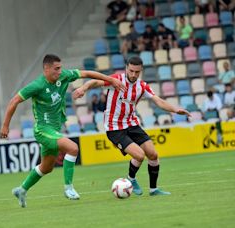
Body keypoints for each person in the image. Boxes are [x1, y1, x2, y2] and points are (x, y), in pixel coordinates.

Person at [0, 54, 126, 208]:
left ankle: (21, 189)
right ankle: (68, 188)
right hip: (42, 130)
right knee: (73, 148)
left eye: (60, 68)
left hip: (54, 129)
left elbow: (87, 73)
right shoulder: (37, 85)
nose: (60, 71)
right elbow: (14, 101)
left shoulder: (64, 76)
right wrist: (6, 125)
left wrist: (111, 79)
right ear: (46, 69)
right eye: (56, 68)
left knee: (46, 167)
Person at [73, 56, 190, 196]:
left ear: (141, 71)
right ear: (126, 68)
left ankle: (153, 189)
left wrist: (175, 110)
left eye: (137, 72)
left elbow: (158, 101)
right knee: (140, 155)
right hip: (114, 127)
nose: (133, 75)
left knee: (153, 154)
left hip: (132, 123)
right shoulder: (116, 80)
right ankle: (131, 179)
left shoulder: (142, 86)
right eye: (131, 71)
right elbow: (94, 82)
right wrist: (83, 88)